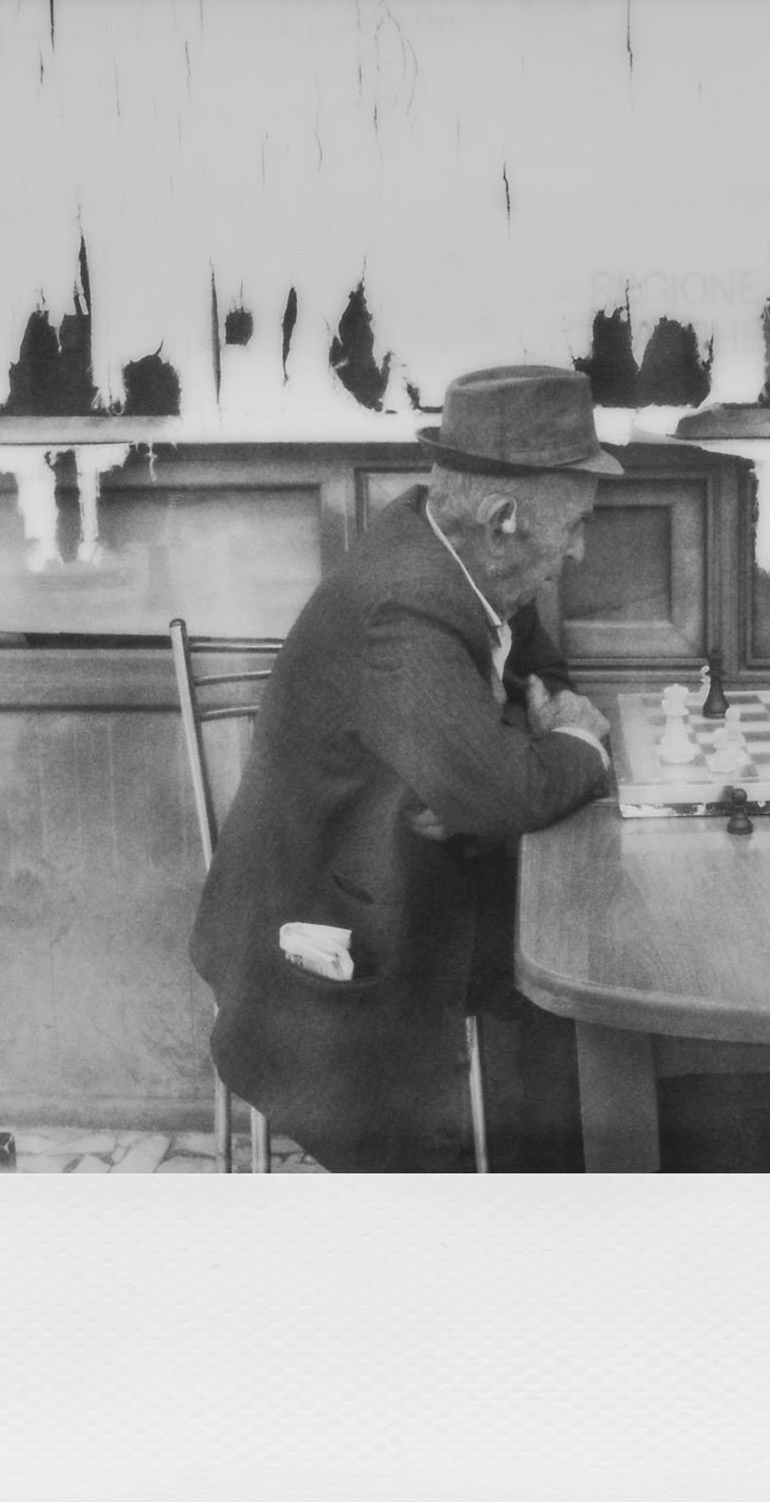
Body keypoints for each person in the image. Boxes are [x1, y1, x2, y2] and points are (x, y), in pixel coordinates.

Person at [189, 365, 623, 1172]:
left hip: (405, 869)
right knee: (577, 974)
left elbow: (540, 676)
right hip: (328, 938)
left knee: (579, 970)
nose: (582, 548)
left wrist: (500, 757)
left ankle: (547, 1177)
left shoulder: (461, 551)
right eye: (578, 525)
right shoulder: (407, 600)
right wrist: (574, 748)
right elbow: (505, 791)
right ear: (505, 518)